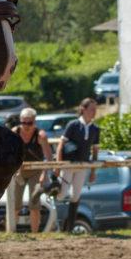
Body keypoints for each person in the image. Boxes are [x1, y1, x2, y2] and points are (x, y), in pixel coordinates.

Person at [55, 98, 100, 232]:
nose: (94, 112)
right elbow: (61, 145)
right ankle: (48, 195)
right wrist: (58, 165)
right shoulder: (73, 125)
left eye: (95, 109)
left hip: (82, 165)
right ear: (83, 109)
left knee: (75, 196)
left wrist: (93, 171)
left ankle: (69, 228)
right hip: (69, 164)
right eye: (92, 109)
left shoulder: (95, 128)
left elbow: (95, 151)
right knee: (62, 194)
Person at [11, 107, 53, 232]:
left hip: (36, 171)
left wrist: (44, 174)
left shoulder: (40, 135)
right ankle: (11, 232)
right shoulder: (15, 132)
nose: (26, 126)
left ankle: (35, 234)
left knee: (34, 204)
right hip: (19, 171)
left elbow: (48, 157)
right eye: (23, 122)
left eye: (29, 123)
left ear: (34, 121)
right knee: (15, 204)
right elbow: (9, 153)